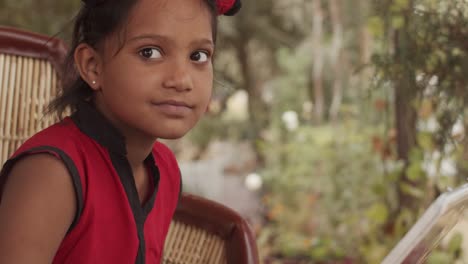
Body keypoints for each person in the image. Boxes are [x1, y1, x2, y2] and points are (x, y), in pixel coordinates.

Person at [0, 0, 241, 263]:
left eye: (199, 56)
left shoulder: (165, 168)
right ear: (93, 66)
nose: (181, 80)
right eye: (150, 52)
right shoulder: (53, 173)